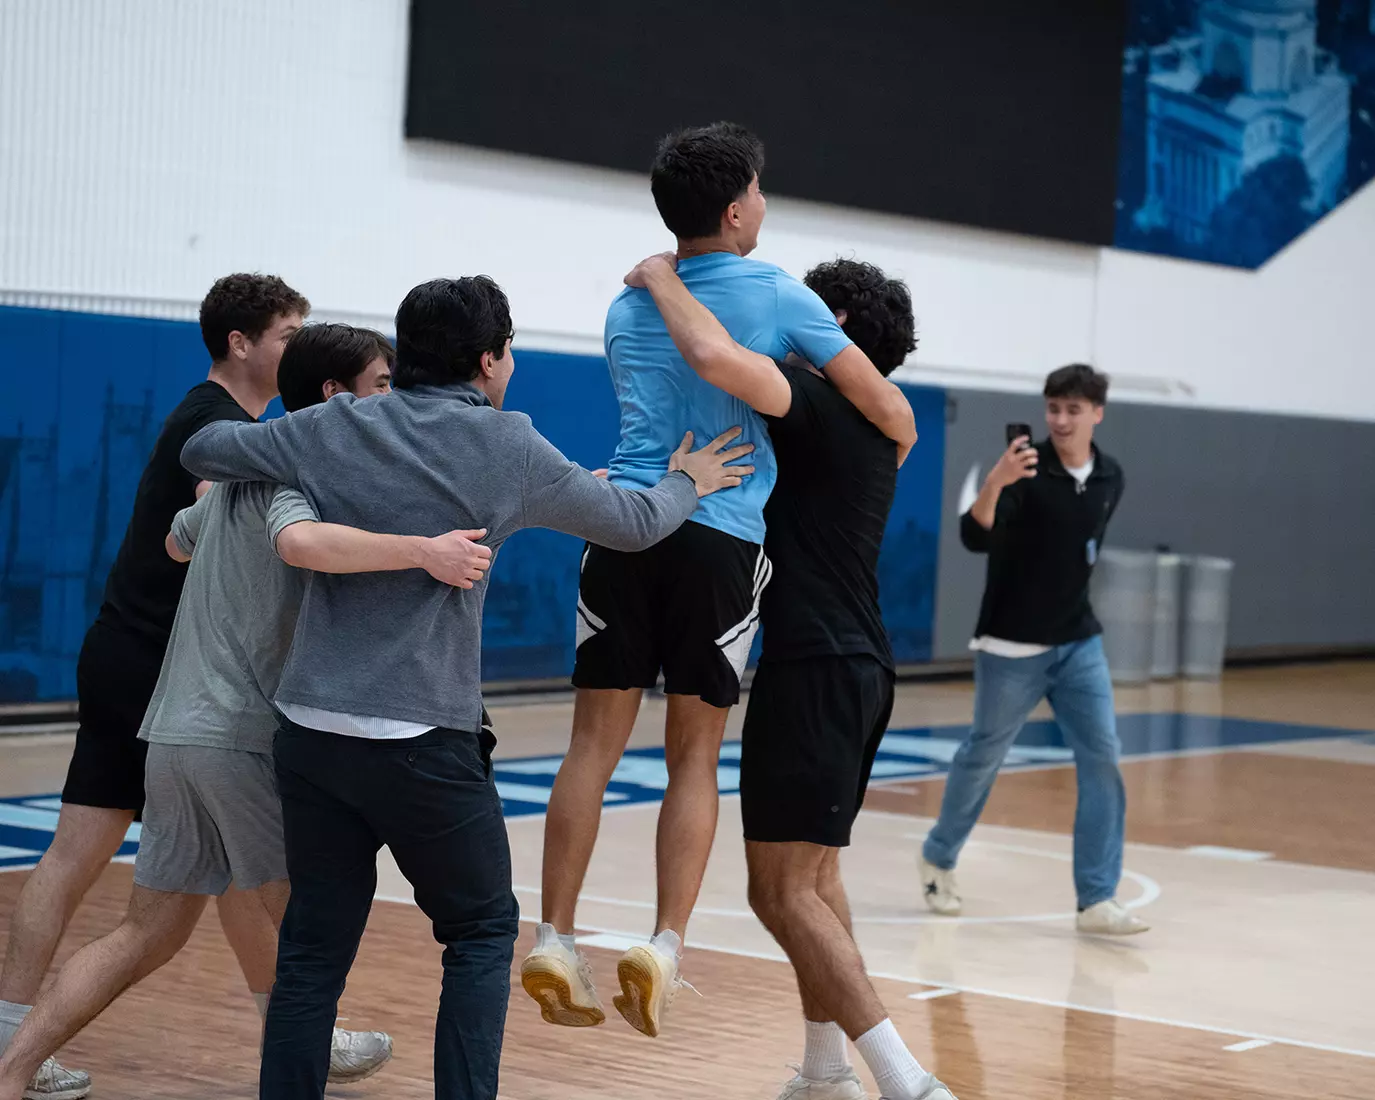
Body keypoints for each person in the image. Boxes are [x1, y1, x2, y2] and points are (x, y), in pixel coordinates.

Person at [177, 275, 754, 1100]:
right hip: (420, 743)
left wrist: (309, 449)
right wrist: (687, 478)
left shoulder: (333, 424)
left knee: (311, 953)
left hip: (309, 736)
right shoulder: (508, 446)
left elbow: (202, 452)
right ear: (487, 361)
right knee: (482, 932)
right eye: (508, 350)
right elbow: (632, 525)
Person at [0, 324, 469, 1099]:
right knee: (307, 933)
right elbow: (301, 545)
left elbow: (179, 543)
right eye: (381, 384)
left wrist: (220, 506)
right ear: (334, 396)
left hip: (173, 733)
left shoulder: (238, 470)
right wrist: (424, 550)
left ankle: (12, 1071)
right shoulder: (298, 476)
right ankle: (307, 1061)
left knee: (146, 931)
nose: (393, 397)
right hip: (239, 737)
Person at [523, 122, 917, 1041]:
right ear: (738, 206)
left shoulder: (626, 308)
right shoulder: (780, 295)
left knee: (590, 747)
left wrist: (661, 275)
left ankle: (553, 934)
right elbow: (879, 401)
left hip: (618, 522)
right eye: (762, 193)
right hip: (719, 535)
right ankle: (664, 943)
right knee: (692, 756)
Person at [622, 252, 956, 1100]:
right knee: (813, 882)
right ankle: (822, 1073)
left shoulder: (817, 403)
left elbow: (713, 358)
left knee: (777, 893)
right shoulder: (874, 423)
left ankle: (906, 1081)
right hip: (854, 668)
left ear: (830, 331)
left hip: (813, 667)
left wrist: (662, 279)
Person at [0, 273, 308, 1100]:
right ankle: (15, 1047)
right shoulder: (215, 429)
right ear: (241, 344)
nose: (296, 347)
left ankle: (299, 1032)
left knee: (204, 861)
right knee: (202, 862)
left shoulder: (216, 419)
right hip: (154, 670)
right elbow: (223, 521)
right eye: (286, 333)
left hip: (129, 657)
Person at [919, 363, 1146, 937]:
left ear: (1098, 413)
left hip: (1078, 641)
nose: (1062, 420)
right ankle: (939, 857)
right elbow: (976, 537)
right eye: (1054, 408)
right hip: (1010, 645)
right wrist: (995, 481)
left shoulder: (1110, 477)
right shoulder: (1022, 470)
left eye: (1074, 409)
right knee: (983, 755)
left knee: (1103, 758)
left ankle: (1097, 898)